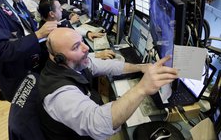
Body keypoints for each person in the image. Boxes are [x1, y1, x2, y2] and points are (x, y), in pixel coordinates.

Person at [38, 28, 178, 139]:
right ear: (59, 58)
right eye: (76, 47)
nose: (86, 48)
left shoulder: (73, 64)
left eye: (81, 41)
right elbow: (99, 125)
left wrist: (140, 67)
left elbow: (107, 66)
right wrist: (142, 88)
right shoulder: (59, 94)